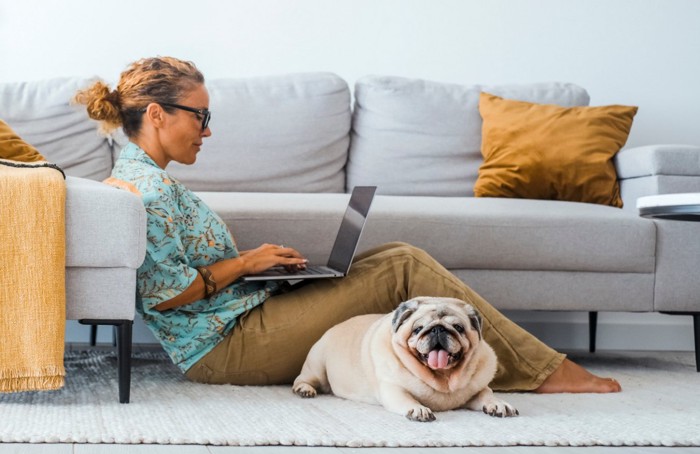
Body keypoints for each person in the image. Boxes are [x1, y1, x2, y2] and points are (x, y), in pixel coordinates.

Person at [74, 56, 620, 394]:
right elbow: (159, 296)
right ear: (157, 115)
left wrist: (265, 270)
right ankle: (546, 371)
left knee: (396, 252)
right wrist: (245, 263)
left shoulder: (151, 180)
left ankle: (526, 366)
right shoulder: (143, 190)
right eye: (201, 116)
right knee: (403, 266)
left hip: (241, 319)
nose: (207, 131)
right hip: (222, 348)